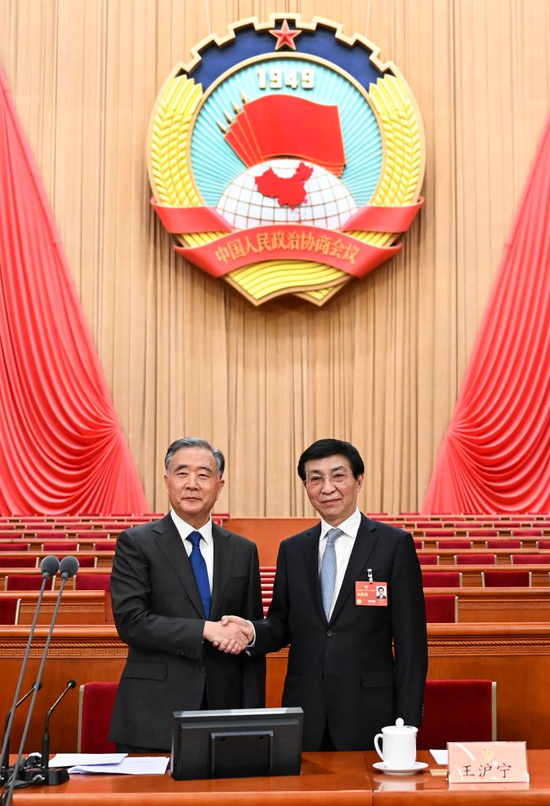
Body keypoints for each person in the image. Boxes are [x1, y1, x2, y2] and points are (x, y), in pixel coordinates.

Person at [221, 438, 427, 751]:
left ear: (359, 480)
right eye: (315, 478)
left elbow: (412, 645)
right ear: (306, 486)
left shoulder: (393, 545)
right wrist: (252, 631)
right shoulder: (293, 549)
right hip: (306, 711)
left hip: (371, 714)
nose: (326, 487)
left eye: (338, 476)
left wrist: (407, 723)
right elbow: (281, 622)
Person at [109, 437, 266, 752]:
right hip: (154, 713)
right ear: (167, 482)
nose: (192, 484)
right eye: (182, 474)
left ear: (219, 485)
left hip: (226, 710)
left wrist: (254, 715)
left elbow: (250, 635)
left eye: (204, 475)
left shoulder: (242, 550)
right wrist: (206, 630)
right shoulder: (136, 543)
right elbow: (132, 623)